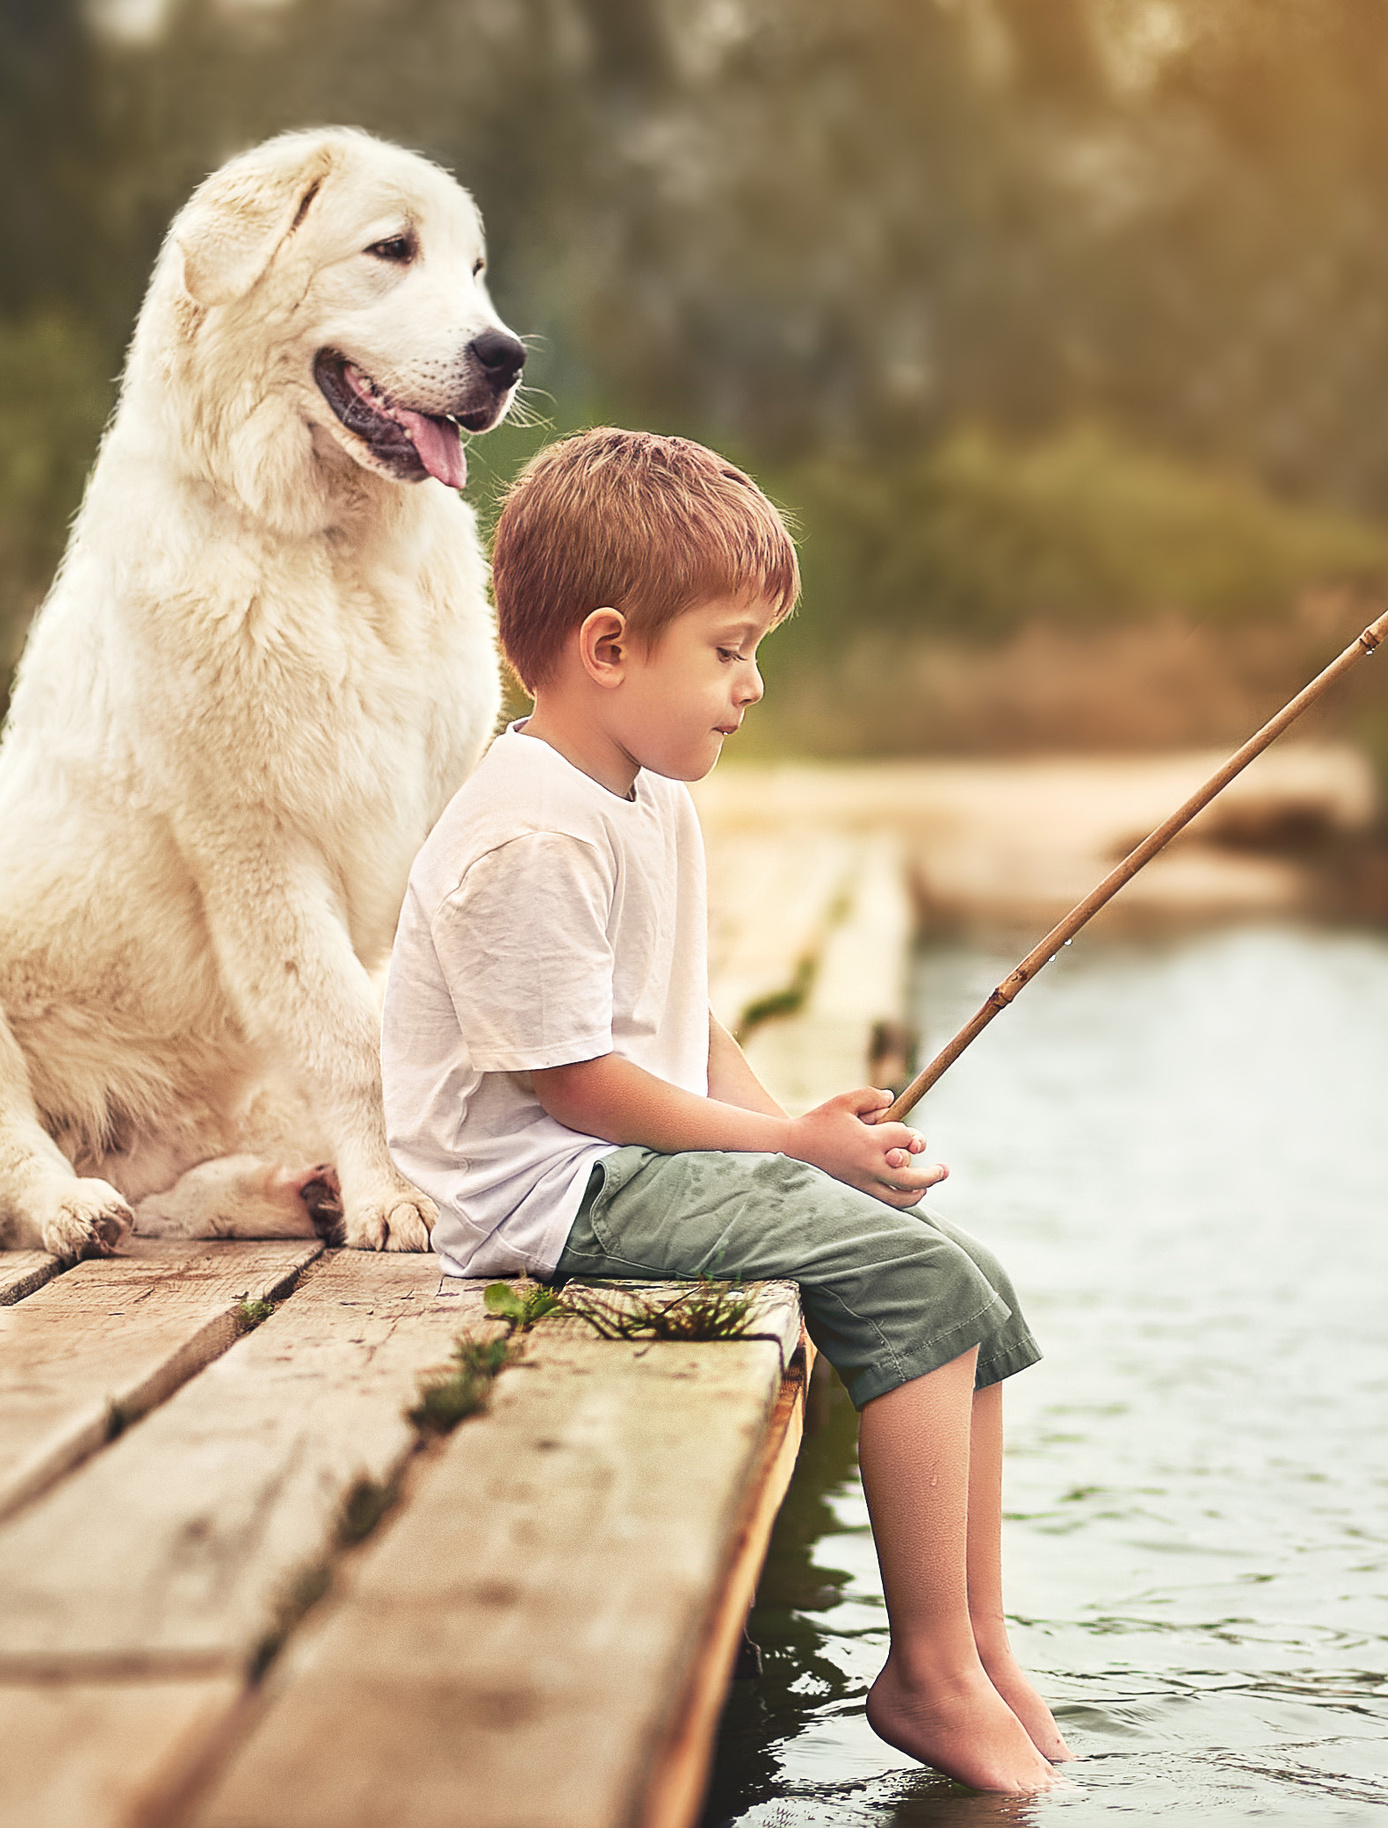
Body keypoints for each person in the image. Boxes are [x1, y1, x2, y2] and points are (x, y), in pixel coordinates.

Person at [379, 427, 1064, 1792]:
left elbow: (676, 1018)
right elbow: (572, 1080)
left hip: (622, 1160)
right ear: (611, 648)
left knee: (966, 1287)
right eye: (732, 649)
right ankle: (924, 1672)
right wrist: (784, 1152)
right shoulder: (530, 830)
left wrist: (813, 1138)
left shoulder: (646, 797)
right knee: (912, 1295)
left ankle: (980, 1646)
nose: (754, 686)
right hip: (550, 1193)